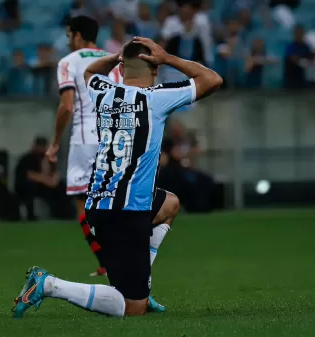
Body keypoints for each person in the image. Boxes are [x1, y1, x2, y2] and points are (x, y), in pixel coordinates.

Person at [12, 38, 222, 317]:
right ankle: (49, 285)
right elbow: (213, 79)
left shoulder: (104, 92)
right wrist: (169, 57)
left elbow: (88, 73)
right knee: (132, 308)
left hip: (99, 204)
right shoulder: (157, 98)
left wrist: (115, 56)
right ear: (155, 70)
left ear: (121, 70)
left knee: (169, 204)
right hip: (126, 211)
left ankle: (140, 285)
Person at [45, 16, 122, 278]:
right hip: (114, 137)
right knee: (113, 202)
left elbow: (67, 106)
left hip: (85, 139)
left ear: (78, 36)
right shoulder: (114, 60)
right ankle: (119, 258)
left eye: (69, 36)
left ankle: (107, 262)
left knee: (83, 205)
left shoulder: (69, 62)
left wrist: (55, 142)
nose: (68, 41)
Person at [14, 136, 73, 220]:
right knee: (30, 187)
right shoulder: (27, 159)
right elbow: (31, 175)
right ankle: (30, 215)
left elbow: (55, 175)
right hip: (27, 186)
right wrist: (49, 181)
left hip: (43, 185)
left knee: (62, 187)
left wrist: (52, 181)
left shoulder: (49, 159)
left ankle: (65, 213)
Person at [283, 25, 312, 89]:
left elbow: (311, 57)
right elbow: (293, 58)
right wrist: (304, 61)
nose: (299, 35)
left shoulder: (306, 47)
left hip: (302, 79)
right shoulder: (290, 47)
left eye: (301, 33)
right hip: (291, 80)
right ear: (294, 34)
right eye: (297, 33)